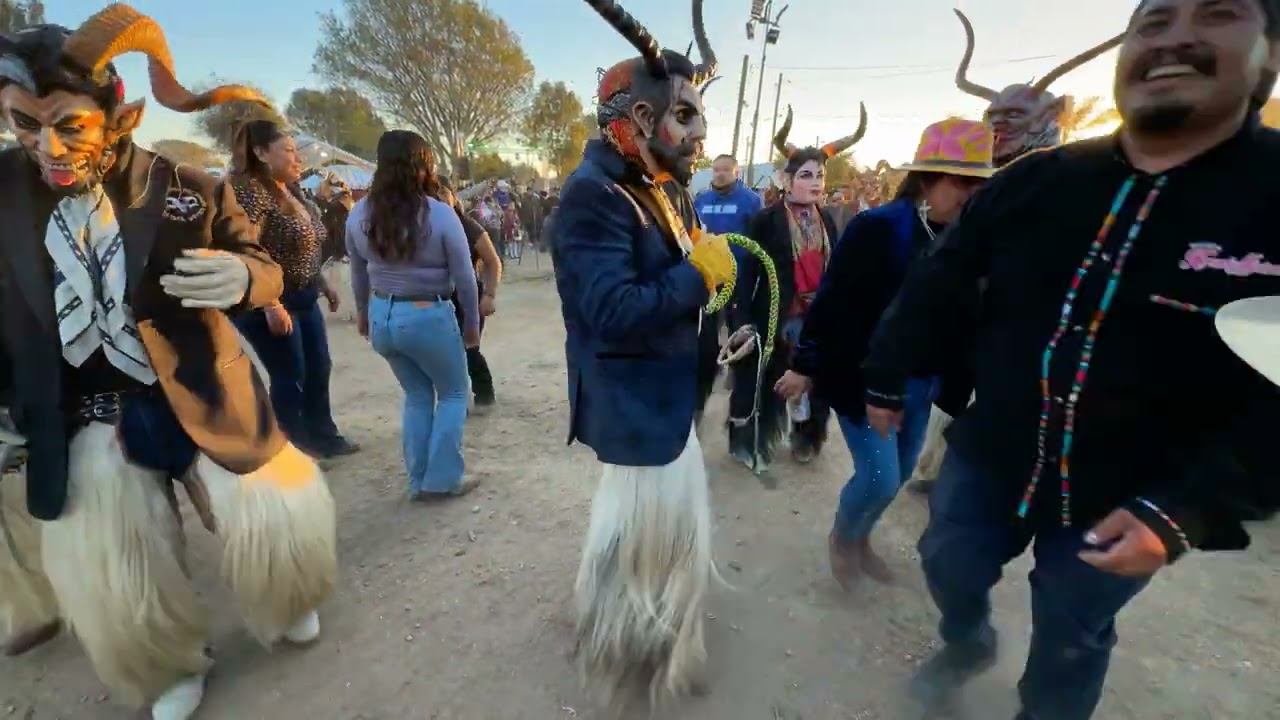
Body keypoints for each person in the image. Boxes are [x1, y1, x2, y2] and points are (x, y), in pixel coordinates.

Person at [863, 1, 1280, 717]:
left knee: (1072, 627)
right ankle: (966, 643)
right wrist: (884, 374)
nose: (1177, 37)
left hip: (1132, 490)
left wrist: (1189, 510)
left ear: (1268, 53)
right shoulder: (1036, 180)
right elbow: (939, 280)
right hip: (994, 451)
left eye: (1217, 13)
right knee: (946, 560)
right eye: (1154, 22)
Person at [0, 6, 338, 718]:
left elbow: (263, 263)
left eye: (68, 125)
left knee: (265, 511)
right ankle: (164, 661)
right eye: (25, 123)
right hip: (87, 413)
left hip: (203, 385)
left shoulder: (189, 186)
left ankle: (287, 597)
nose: (46, 147)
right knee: (119, 563)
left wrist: (244, 277)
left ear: (118, 118)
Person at [554, 0, 734, 700]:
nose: (700, 132)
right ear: (637, 118)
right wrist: (698, 276)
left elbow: (675, 279)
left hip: (669, 397)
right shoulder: (591, 196)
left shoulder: (664, 186)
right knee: (634, 549)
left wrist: (714, 305)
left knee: (671, 539)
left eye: (700, 115)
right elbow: (612, 313)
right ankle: (624, 661)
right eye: (685, 115)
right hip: (633, 408)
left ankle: (659, 645)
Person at [905, 12, 1128, 498]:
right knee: (953, 392)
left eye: (1015, 115)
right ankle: (934, 467)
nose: (1001, 124)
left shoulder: (1076, 179)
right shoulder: (978, 178)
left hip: (1035, 329)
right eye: (995, 115)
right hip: (971, 316)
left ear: (1053, 116)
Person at [775, 118, 995, 589]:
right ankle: (843, 537)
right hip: (863, 380)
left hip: (924, 383)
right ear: (927, 178)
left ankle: (861, 538)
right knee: (879, 476)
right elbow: (833, 302)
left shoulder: (974, 238)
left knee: (898, 476)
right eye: (960, 181)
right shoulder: (877, 228)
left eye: (979, 183)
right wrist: (804, 366)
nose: (970, 194)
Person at [727, 104, 866, 473]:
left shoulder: (828, 220)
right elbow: (746, 271)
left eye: (820, 175)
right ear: (786, 180)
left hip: (816, 317)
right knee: (762, 380)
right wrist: (741, 318)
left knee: (815, 381)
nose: (816, 182)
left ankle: (806, 438)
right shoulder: (765, 220)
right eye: (806, 175)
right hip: (775, 314)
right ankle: (749, 442)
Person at [347, 130, 482, 501]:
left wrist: (363, 313)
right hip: (426, 313)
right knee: (454, 394)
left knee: (417, 396)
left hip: (382, 315)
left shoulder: (358, 214)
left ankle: (417, 479)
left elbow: (358, 271)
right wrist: (472, 324)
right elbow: (465, 277)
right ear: (422, 166)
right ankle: (443, 480)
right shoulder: (439, 215)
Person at [230, 121, 359, 459]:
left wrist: (322, 284)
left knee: (319, 367)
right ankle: (293, 449)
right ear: (260, 153)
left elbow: (308, 242)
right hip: (268, 301)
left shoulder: (290, 189)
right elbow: (246, 248)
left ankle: (323, 435)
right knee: (291, 373)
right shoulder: (249, 192)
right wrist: (270, 303)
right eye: (287, 151)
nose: (297, 158)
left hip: (304, 294)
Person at [438, 180, 502, 409]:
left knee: (469, 349)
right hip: (437, 300)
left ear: (453, 195)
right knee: (446, 353)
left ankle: (483, 393)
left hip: (468, 297)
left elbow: (493, 262)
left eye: (443, 192)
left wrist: (489, 295)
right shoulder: (423, 227)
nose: (439, 198)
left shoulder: (469, 227)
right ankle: (455, 400)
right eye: (433, 193)